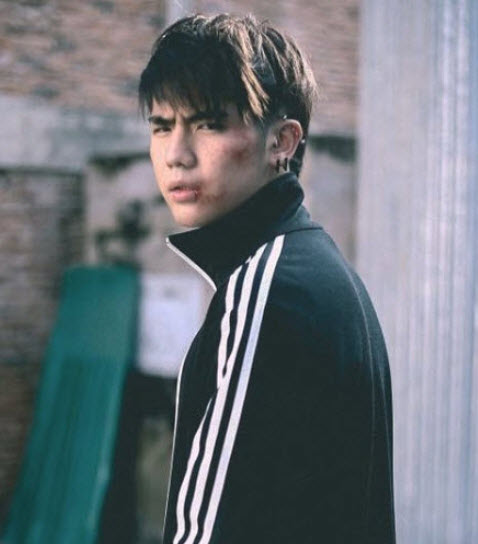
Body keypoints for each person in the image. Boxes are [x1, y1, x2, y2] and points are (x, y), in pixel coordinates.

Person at [139, 13, 395, 544]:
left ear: (282, 141)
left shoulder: (270, 291)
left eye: (208, 124)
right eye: (162, 126)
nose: (176, 155)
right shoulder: (313, 267)